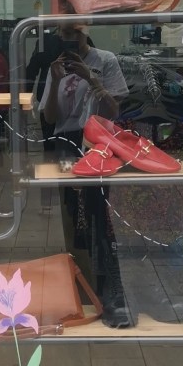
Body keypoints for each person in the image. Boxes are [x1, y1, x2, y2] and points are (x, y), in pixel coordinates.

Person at [39, 22, 134, 327]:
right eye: (65, 35)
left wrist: (90, 78)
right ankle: (84, 285)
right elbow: (50, 117)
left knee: (100, 213)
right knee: (73, 216)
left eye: (75, 34)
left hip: (99, 142)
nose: (70, 40)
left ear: (85, 32)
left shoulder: (104, 60)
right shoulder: (55, 67)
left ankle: (108, 285)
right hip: (66, 143)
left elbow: (114, 111)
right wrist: (56, 81)